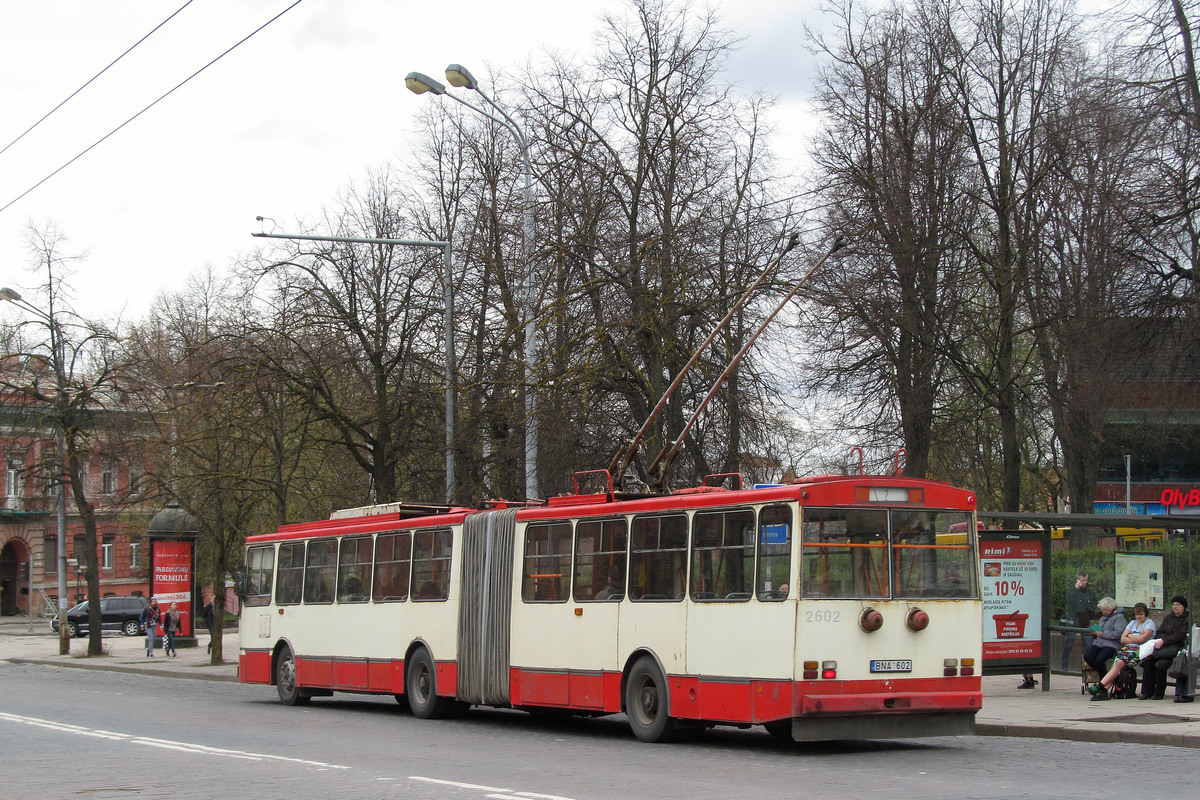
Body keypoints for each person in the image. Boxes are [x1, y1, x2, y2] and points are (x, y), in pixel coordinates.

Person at [1088, 602, 1156, 701]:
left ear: (1145, 614)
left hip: (1140, 649)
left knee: (1119, 664)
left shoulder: (1149, 624)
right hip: (1127, 648)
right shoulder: (1132, 623)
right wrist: (1135, 636)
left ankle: (1100, 686)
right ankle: (1104, 691)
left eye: (1141, 614)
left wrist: (1130, 635)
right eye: (1137, 614)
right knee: (1116, 667)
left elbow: (1142, 640)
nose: (1138, 616)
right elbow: (1122, 639)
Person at [1139, 596, 1190, 701]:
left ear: (1183, 607)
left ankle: (1159, 692)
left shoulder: (1187, 619)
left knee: (1160, 664)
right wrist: (1160, 640)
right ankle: (1147, 692)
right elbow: (1160, 632)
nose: (1175, 607)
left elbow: (1180, 635)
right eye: (1174, 604)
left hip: (1175, 649)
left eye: (1178, 605)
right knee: (1147, 662)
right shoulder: (1168, 618)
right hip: (1162, 648)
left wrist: (1164, 640)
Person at [1060, 571, 1098, 671]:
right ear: (1078, 580)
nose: (1084, 582)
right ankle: (1064, 668)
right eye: (1082, 580)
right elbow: (1069, 602)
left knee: (1088, 646)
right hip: (1074, 621)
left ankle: (1087, 668)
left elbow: (1094, 605)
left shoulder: (1090, 593)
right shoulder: (1072, 591)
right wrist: (1076, 589)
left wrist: (1090, 613)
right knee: (1069, 645)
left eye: (1086, 580)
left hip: (1085, 622)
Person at [1082, 597, 1126, 677]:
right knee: (1087, 657)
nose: (1103, 612)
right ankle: (1106, 676)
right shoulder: (1103, 618)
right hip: (1099, 643)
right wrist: (1095, 633)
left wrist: (1103, 634)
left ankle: (1104, 679)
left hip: (1111, 644)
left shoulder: (1119, 618)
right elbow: (1100, 630)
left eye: (1105, 610)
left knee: (1099, 660)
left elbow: (1119, 634)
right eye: (1102, 610)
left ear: (1111, 608)